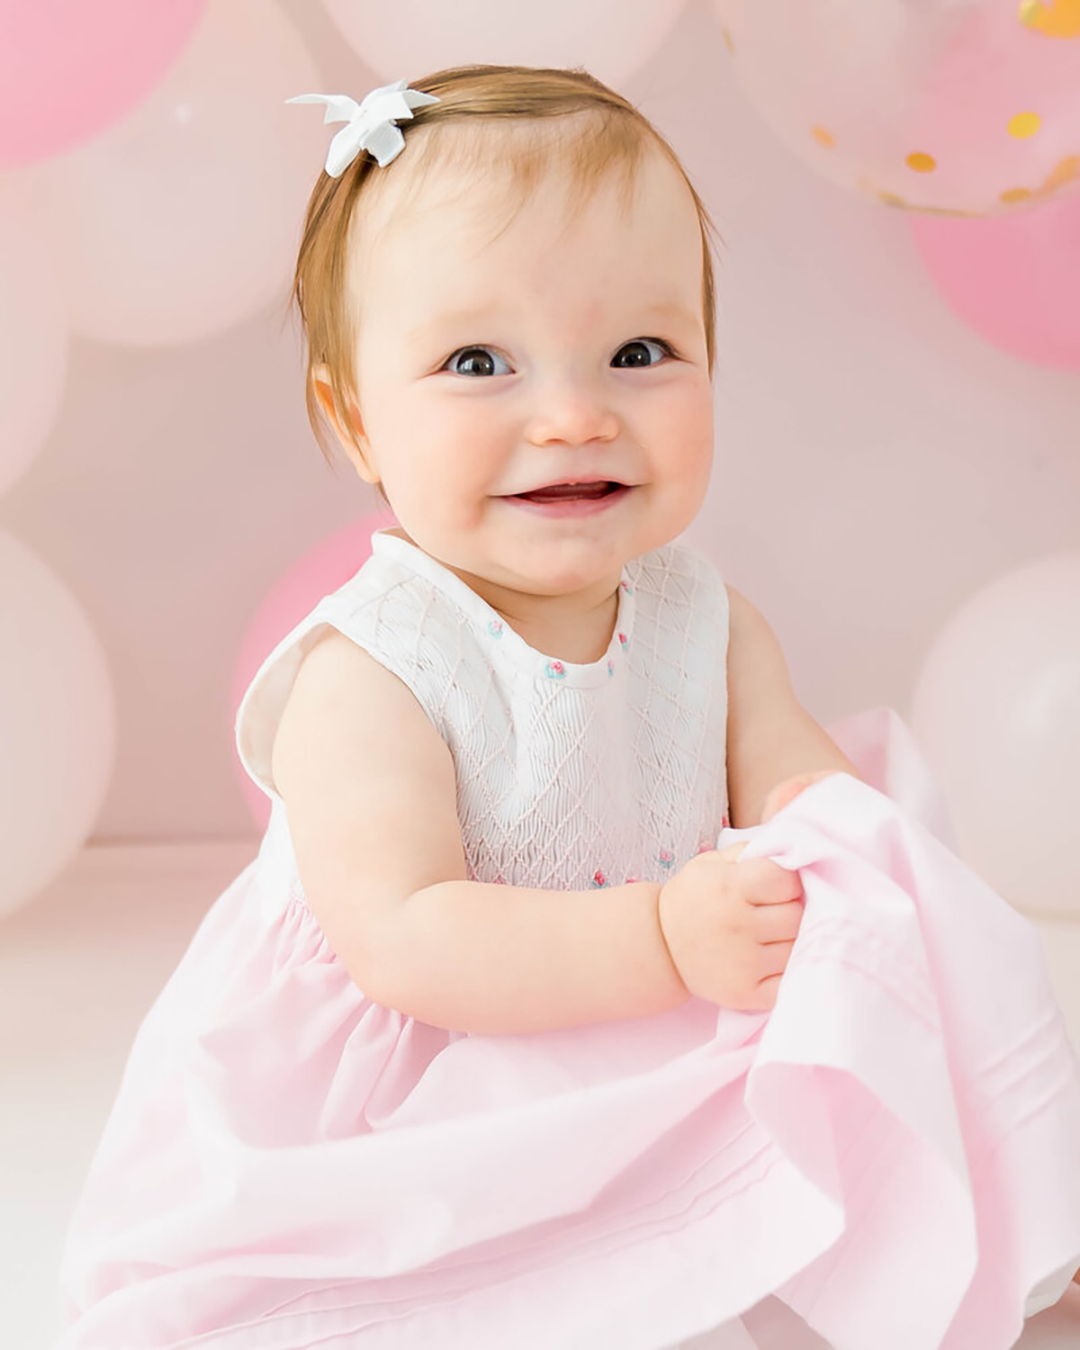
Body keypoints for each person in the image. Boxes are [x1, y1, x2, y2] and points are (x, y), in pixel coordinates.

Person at [53, 66, 1080, 1350]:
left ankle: (963, 1244)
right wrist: (660, 938)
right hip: (426, 1100)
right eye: (479, 361)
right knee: (460, 1300)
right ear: (355, 418)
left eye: (640, 352)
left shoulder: (700, 615)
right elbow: (408, 940)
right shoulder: (369, 670)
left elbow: (801, 788)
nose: (576, 412)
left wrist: (856, 882)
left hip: (647, 1035)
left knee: (884, 920)